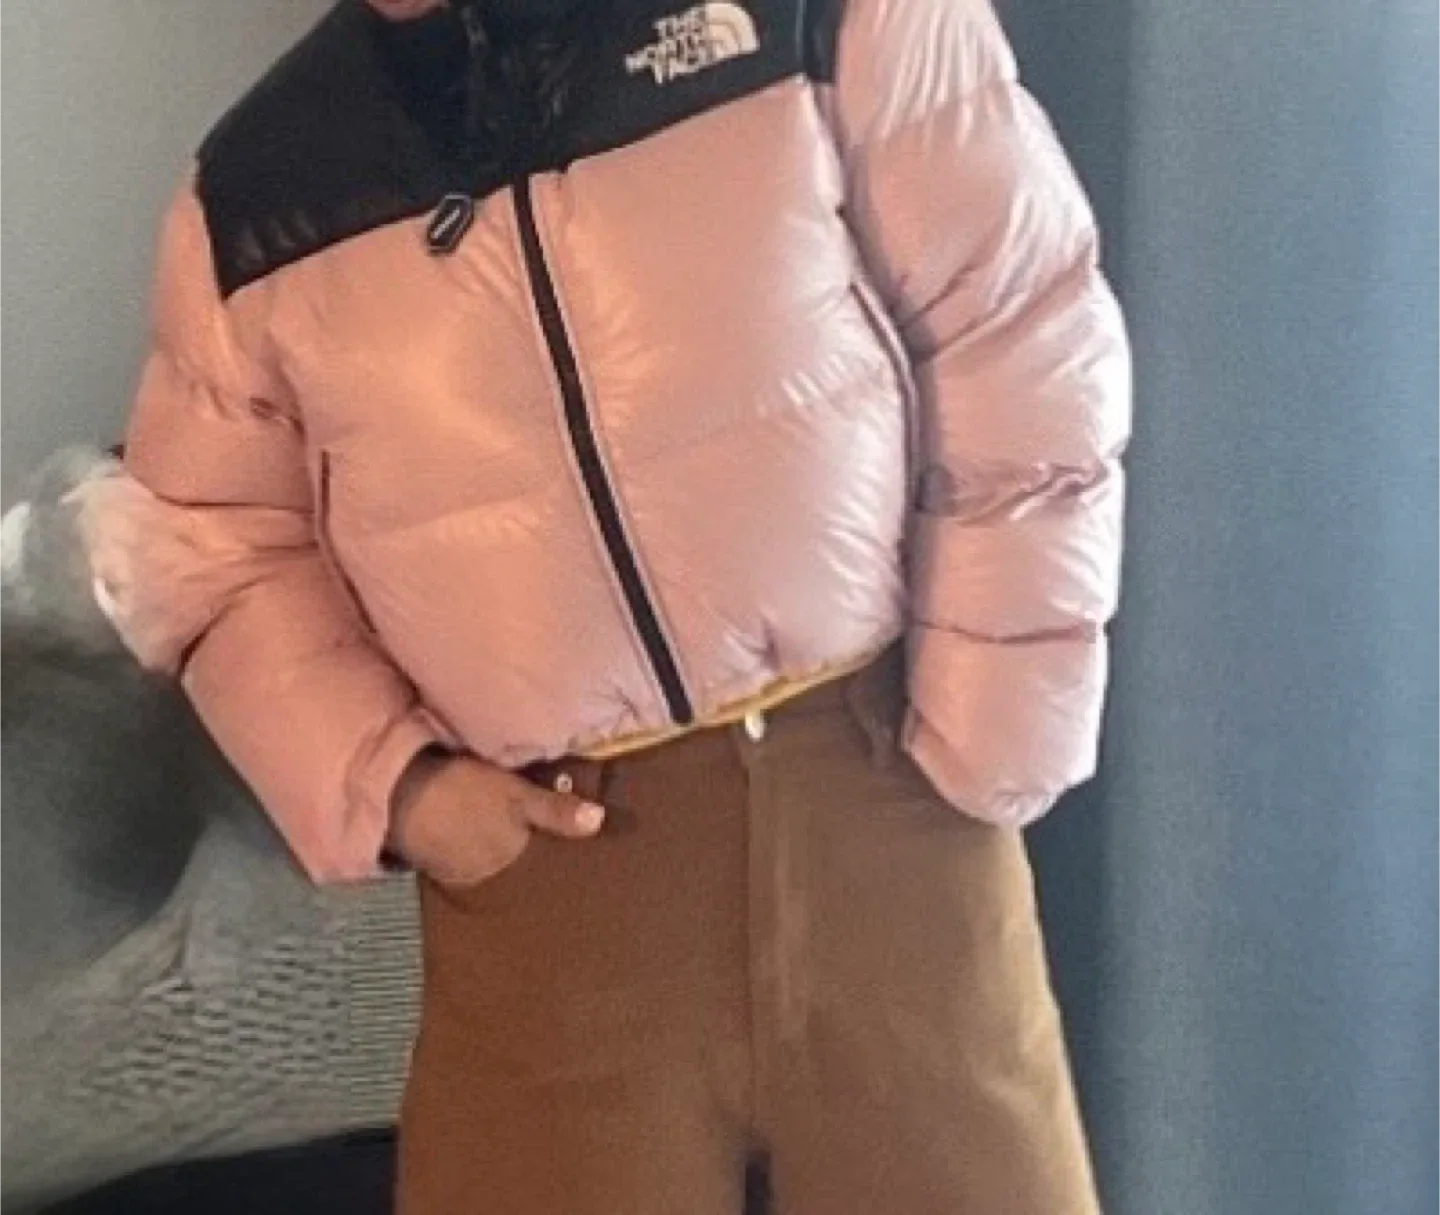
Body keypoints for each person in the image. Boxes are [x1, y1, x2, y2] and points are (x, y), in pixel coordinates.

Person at [106, 0, 1130, 1209]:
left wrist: (999, 716)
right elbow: (209, 544)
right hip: (551, 892)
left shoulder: (823, 17)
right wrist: (396, 785)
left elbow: (1012, 316)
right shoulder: (254, 194)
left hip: (886, 802)